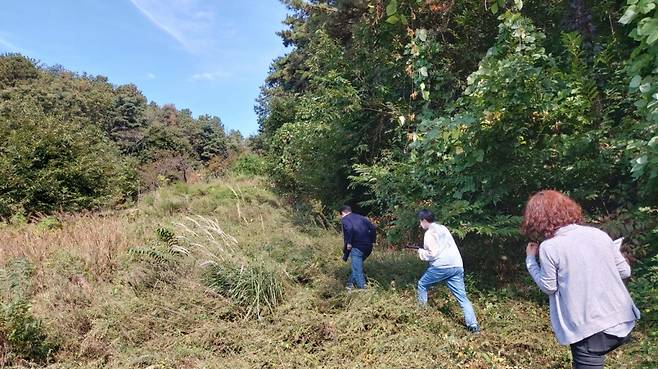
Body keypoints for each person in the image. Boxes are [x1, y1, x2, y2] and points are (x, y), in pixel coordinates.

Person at [522, 190, 640, 369]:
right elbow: (624, 271)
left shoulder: (550, 247)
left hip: (590, 329)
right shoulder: (598, 234)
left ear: (537, 219)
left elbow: (549, 287)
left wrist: (531, 260)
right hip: (623, 321)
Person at [415, 209, 480, 333]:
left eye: (420, 221)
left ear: (424, 220)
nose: (420, 224)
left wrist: (421, 252)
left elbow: (432, 254)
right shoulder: (443, 228)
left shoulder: (429, 233)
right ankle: (473, 326)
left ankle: (421, 315)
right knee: (462, 297)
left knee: (422, 284)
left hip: (441, 266)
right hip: (457, 265)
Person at [339, 205, 376, 289]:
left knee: (358, 270)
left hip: (357, 247)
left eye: (341, 215)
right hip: (368, 247)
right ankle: (349, 286)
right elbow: (373, 228)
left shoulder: (345, 219)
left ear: (343, 213)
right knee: (356, 267)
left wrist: (349, 242)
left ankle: (363, 291)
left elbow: (350, 228)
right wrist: (372, 241)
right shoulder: (361, 218)